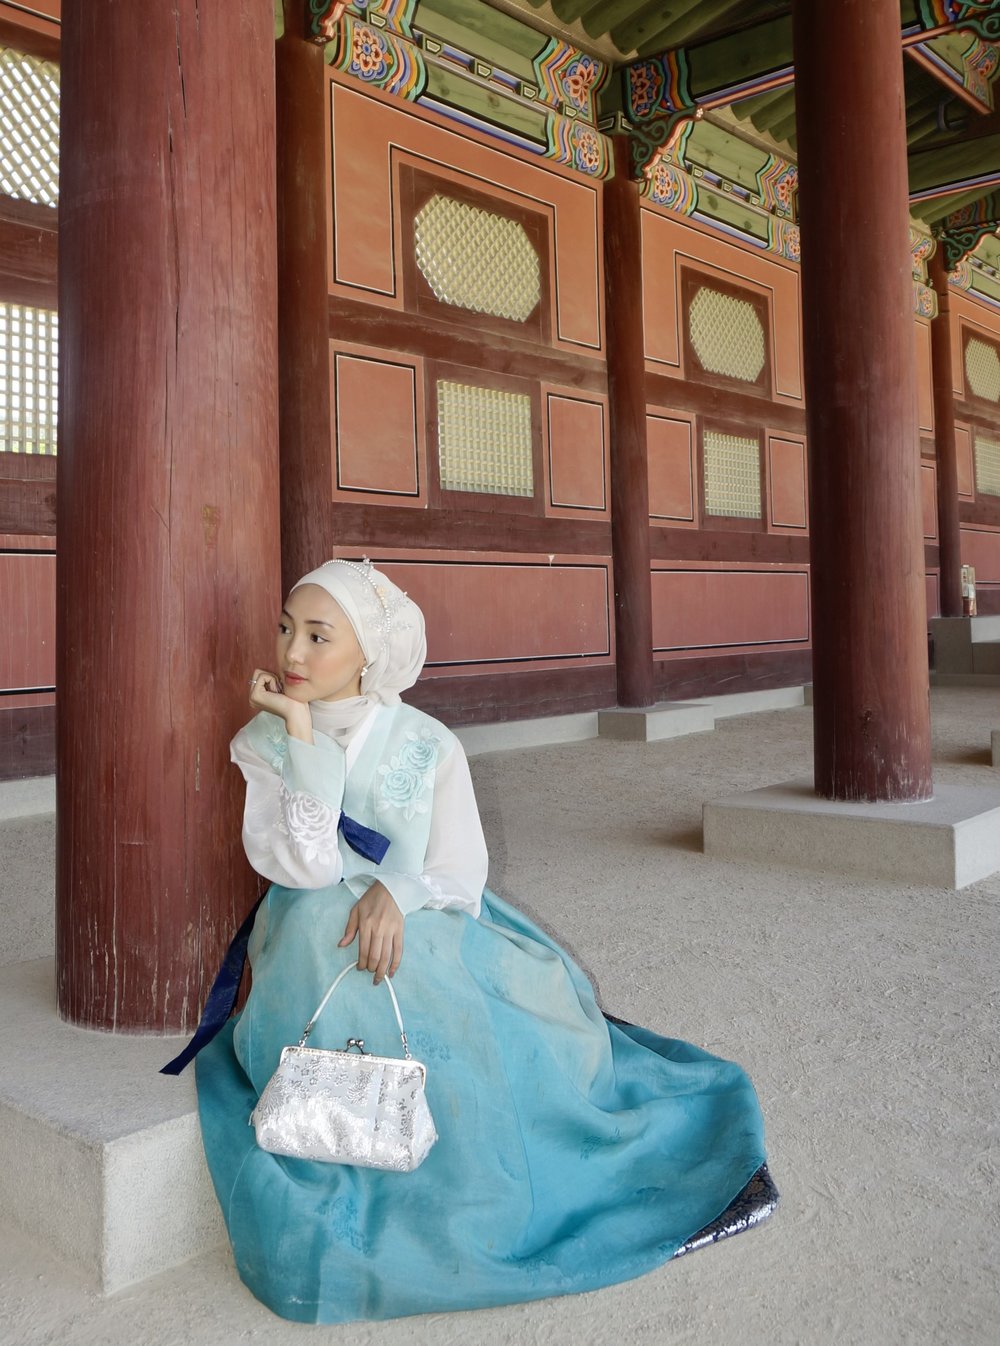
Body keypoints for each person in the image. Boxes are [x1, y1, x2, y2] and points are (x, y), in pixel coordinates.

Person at [192, 557, 774, 1324]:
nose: (292, 652)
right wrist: (301, 735)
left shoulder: (426, 742)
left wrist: (398, 895)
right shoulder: (263, 741)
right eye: (285, 629)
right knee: (332, 949)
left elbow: (461, 869)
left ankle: (466, 1164)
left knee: (474, 991)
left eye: (318, 636)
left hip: (426, 912)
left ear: (368, 652)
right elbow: (306, 866)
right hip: (309, 926)